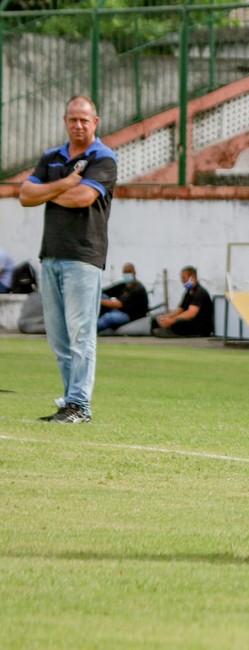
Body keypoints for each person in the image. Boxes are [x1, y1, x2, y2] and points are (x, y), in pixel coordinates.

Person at [18, 95, 117, 424]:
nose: (78, 125)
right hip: (52, 255)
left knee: (81, 333)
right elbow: (25, 195)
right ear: (65, 121)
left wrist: (50, 189)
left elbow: (82, 198)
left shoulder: (103, 158)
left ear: (95, 122)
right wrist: (66, 182)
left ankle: (80, 406)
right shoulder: (53, 157)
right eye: (73, 119)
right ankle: (69, 404)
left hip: (84, 256)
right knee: (59, 338)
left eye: (84, 120)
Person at [152, 266, 213, 337]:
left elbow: (191, 314)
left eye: (184, 278)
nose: (182, 281)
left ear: (192, 277)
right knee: (156, 320)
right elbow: (180, 310)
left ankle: (170, 331)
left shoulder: (200, 293)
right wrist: (165, 318)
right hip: (190, 321)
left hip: (200, 325)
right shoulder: (189, 292)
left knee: (178, 324)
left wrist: (171, 321)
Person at [97, 262, 149, 332]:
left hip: (131, 316)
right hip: (120, 311)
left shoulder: (137, 288)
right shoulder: (124, 285)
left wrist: (98, 300)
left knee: (108, 317)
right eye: (125, 272)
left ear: (134, 273)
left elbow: (119, 304)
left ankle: (92, 329)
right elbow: (106, 292)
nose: (126, 274)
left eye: (129, 272)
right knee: (102, 295)